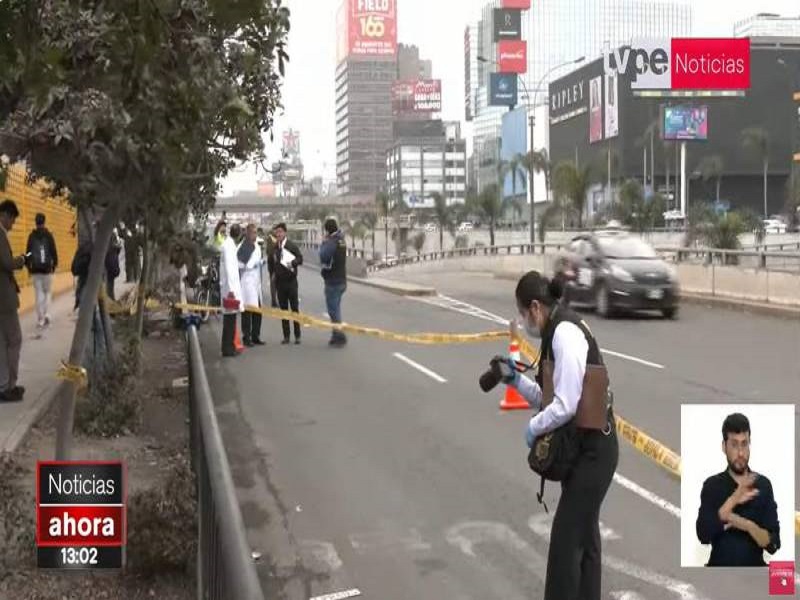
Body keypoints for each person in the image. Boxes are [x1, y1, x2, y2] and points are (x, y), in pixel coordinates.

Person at [503, 271, 617, 600]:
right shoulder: (555, 331)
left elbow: (565, 406)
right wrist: (515, 381)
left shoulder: (565, 334)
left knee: (566, 543)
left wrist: (533, 427)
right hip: (583, 450)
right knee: (586, 540)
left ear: (535, 307)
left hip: (594, 452)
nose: (523, 322)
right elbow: (549, 397)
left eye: (523, 314)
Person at [695, 413, 780, 567]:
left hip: (754, 572)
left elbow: (773, 544)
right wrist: (734, 498)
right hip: (719, 570)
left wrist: (745, 524)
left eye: (744, 444)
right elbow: (703, 535)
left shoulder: (763, 485)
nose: (740, 453)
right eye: (734, 445)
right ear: (724, 446)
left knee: (783, 582)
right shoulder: (712, 485)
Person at [0, 200, 27, 402]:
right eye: (13, 219)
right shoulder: (0, 235)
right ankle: (9, 385)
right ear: (5, 216)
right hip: (4, 300)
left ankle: (4, 385)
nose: (13, 224)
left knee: (3, 343)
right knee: (14, 339)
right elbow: (7, 263)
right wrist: (22, 260)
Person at [267, 223, 303, 345]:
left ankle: (297, 335)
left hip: (291, 282)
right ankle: (286, 336)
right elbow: (270, 263)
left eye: (281, 232)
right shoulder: (274, 248)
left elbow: (300, 258)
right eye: (277, 232)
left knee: (294, 310)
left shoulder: (291, 246)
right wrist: (272, 276)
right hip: (280, 283)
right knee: (283, 310)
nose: (278, 234)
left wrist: (293, 263)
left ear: (285, 233)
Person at [26, 213, 58, 328]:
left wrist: (28, 266)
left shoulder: (31, 236)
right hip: (47, 269)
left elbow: (28, 252)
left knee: (38, 293)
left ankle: (40, 319)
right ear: (44, 222)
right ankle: (46, 314)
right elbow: (53, 251)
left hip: (35, 270)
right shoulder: (49, 235)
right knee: (47, 292)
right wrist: (55, 264)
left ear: (35, 222)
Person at [319, 217, 347, 347]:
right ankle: (335, 335)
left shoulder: (332, 241)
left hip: (333, 281)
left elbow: (323, 256)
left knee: (333, 311)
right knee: (336, 309)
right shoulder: (342, 240)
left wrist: (324, 243)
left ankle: (340, 335)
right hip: (342, 280)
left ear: (327, 230)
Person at [237, 224, 265, 347]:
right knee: (248, 310)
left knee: (258, 310)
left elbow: (258, 260)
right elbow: (238, 263)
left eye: (256, 233)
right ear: (248, 234)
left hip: (256, 281)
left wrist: (260, 263)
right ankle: (246, 337)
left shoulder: (257, 247)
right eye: (253, 233)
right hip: (247, 281)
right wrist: (248, 266)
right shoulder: (243, 247)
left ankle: (256, 336)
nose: (255, 235)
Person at [219, 223, 244, 357]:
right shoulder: (229, 246)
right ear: (239, 234)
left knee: (230, 319)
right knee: (229, 320)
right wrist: (232, 290)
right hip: (230, 289)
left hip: (229, 287)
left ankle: (229, 346)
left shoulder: (229, 245)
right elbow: (229, 269)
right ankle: (228, 348)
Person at [105, 229, 122, 301]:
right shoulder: (115, 246)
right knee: (110, 286)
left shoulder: (107, 236)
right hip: (112, 267)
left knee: (108, 286)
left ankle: (109, 302)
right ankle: (111, 301)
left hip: (109, 267)